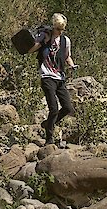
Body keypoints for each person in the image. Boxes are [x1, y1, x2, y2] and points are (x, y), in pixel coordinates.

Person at [28, 13, 77, 145]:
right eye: (57, 29)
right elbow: (33, 48)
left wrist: (71, 65)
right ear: (53, 26)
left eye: (62, 29)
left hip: (59, 77)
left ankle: (48, 124)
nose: (59, 32)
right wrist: (34, 44)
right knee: (53, 108)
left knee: (67, 107)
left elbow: (67, 57)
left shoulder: (65, 41)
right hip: (47, 76)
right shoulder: (46, 36)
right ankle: (49, 139)